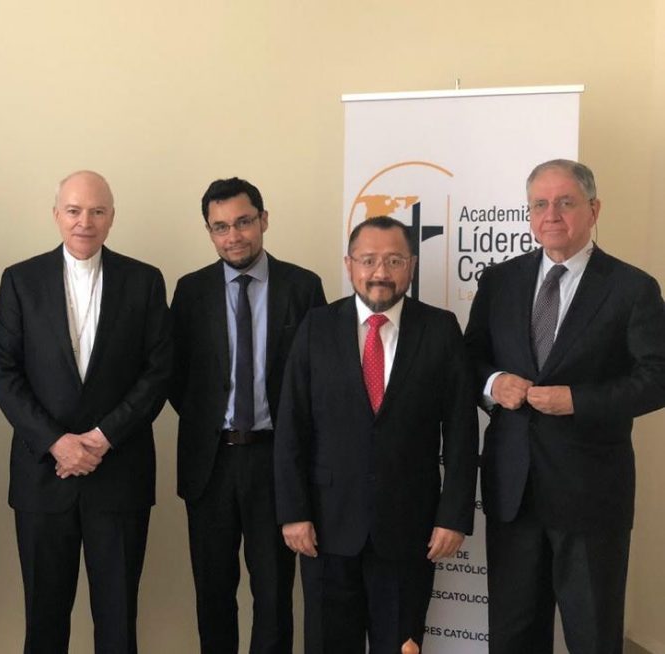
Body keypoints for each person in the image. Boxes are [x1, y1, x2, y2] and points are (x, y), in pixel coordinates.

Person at [464, 159, 665, 654]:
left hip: (590, 495)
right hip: (513, 490)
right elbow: (468, 360)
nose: (551, 214)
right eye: (539, 204)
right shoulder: (500, 281)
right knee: (512, 636)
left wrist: (577, 400)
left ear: (594, 210)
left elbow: (657, 378)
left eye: (565, 202)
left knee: (592, 637)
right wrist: (494, 383)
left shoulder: (632, 288)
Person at [274, 216, 478, 654]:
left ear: (412, 265)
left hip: (409, 528)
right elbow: (292, 426)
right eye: (368, 260)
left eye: (394, 260)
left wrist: (453, 515)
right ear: (349, 265)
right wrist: (293, 512)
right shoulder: (316, 327)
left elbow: (462, 431)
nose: (380, 272)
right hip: (326, 528)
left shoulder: (440, 329)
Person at [0, 170, 171, 654]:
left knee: (118, 623)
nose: (84, 222)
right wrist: (56, 442)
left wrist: (102, 438)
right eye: (73, 211)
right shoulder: (20, 280)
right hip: (42, 477)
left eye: (96, 211)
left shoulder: (144, 281)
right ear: (56, 215)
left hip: (120, 474)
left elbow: (158, 373)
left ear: (112, 218)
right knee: (44, 623)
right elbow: (3, 372)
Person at [169, 177, 324, 654]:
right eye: (220, 227)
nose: (233, 236)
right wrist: (210, 422)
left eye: (243, 222)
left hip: (276, 460)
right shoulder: (191, 291)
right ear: (209, 232)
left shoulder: (302, 286)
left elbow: (318, 378)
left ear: (263, 220)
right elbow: (175, 376)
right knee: (213, 592)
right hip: (210, 462)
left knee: (274, 594)